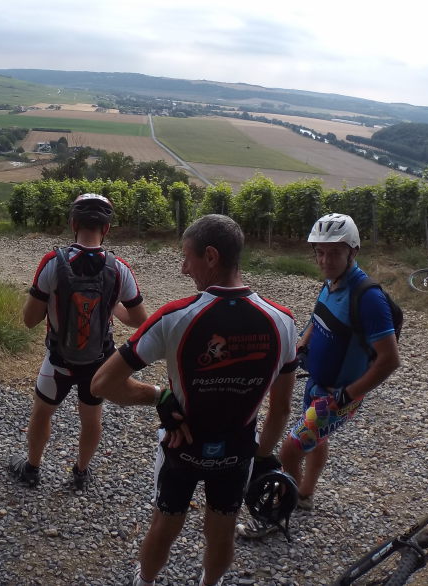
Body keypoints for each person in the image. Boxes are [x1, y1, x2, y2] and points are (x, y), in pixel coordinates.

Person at [91, 214, 299, 586]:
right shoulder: (282, 321)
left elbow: (102, 384)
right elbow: (281, 409)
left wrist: (159, 396)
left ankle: (145, 582)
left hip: (182, 446)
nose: (183, 268)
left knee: (164, 526)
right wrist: (264, 457)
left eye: (187, 257)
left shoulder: (174, 317)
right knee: (221, 531)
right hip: (237, 450)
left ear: (211, 256)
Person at [239, 212, 400, 538]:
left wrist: (349, 394)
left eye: (334, 252)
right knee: (314, 441)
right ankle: (305, 495)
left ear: (353, 251)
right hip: (317, 384)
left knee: (290, 450)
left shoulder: (368, 297)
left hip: (338, 396)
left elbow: (390, 360)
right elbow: (317, 318)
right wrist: (300, 346)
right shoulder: (332, 282)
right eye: (320, 252)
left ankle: (278, 511)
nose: (325, 260)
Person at [10, 193, 147, 491]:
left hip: (59, 360)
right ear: (106, 229)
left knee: (42, 413)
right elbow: (139, 319)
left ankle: (32, 468)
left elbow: (30, 320)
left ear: (73, 224)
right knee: (91, 417)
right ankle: (81, 473)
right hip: (98, 361)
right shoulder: (120, 268)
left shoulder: (52, 262)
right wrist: (111, 305)